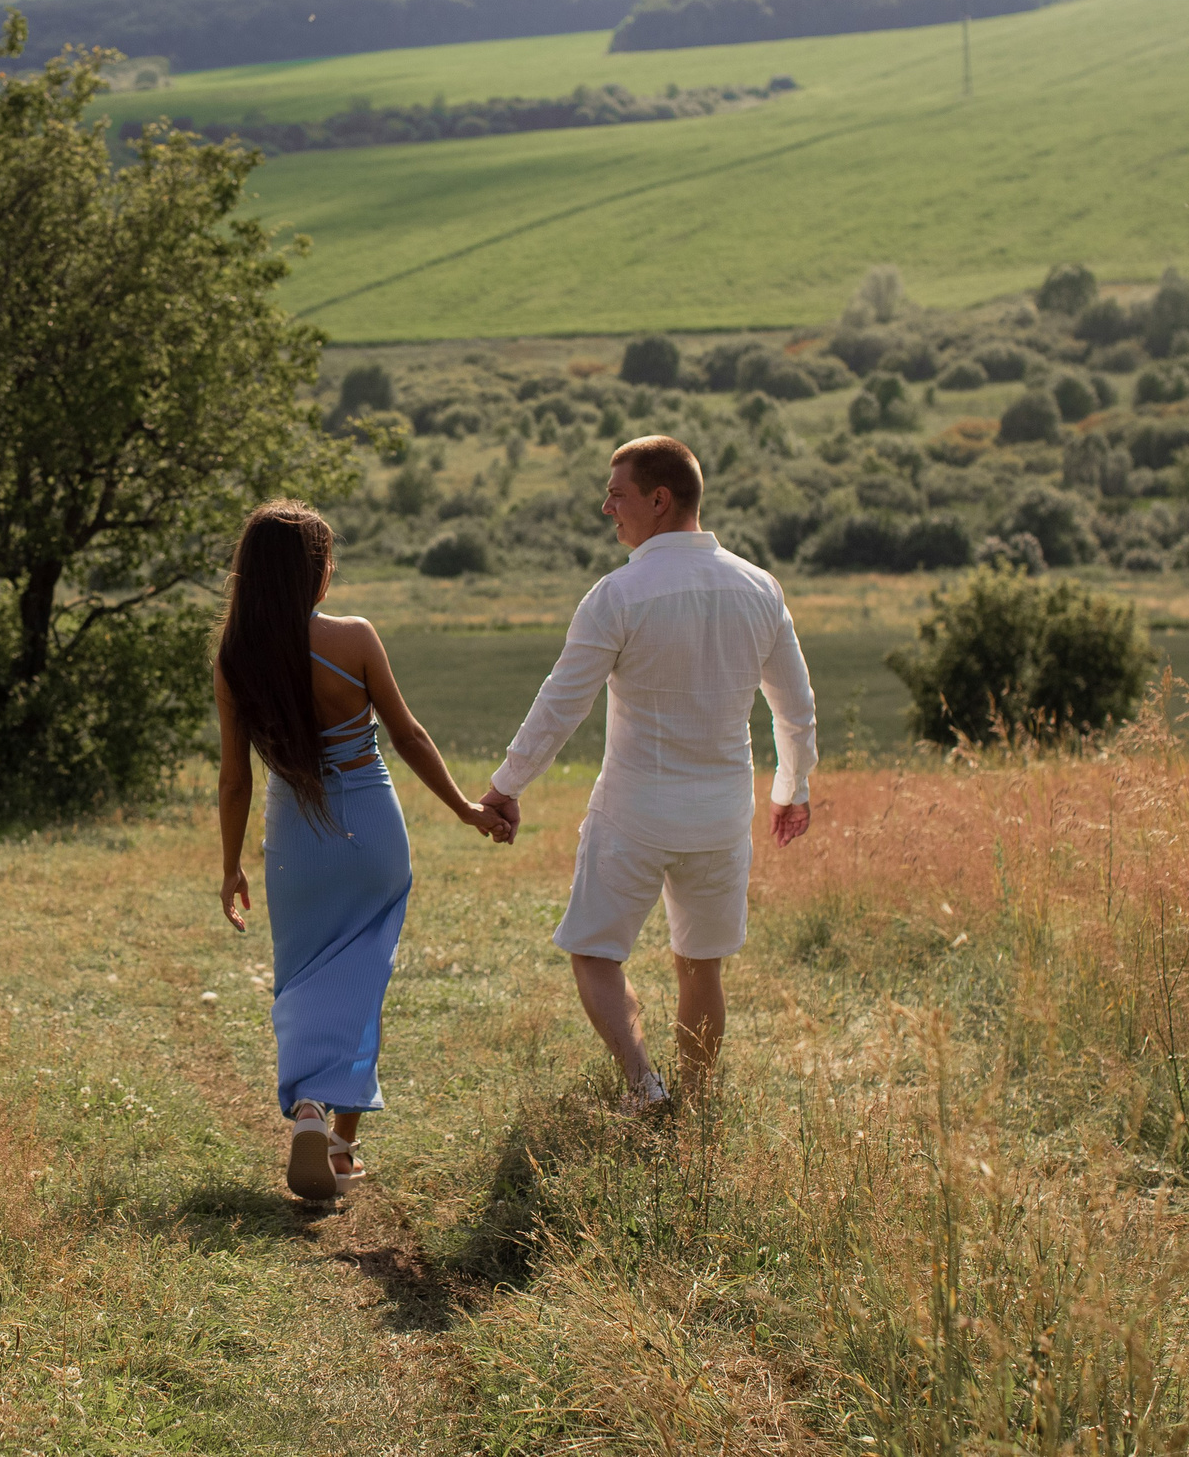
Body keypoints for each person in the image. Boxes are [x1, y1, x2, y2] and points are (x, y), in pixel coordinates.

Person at [478, 436, 816, 1113]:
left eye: (618, 494)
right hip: (721, 815)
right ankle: (696, 1104)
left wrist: (506, 786)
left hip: (633, 811)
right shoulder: (759, 587)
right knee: (701, 964)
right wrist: (791, 791)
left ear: (660, 501)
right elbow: (796, 708)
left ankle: (643, 1085)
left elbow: (560, 705)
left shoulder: (618, 594)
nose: (608, 508)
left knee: (593, 950)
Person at [214, 499, 505, 1200]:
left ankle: (309, 1112)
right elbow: (408, 737)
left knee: (305, 978)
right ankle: (340, 1148)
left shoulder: (236, 659)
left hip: (295, 845)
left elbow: (232, 780)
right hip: (372, 831)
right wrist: (465, 808)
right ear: (315, 575)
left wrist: (229, 867)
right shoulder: (354, 638)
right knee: (362, 975)